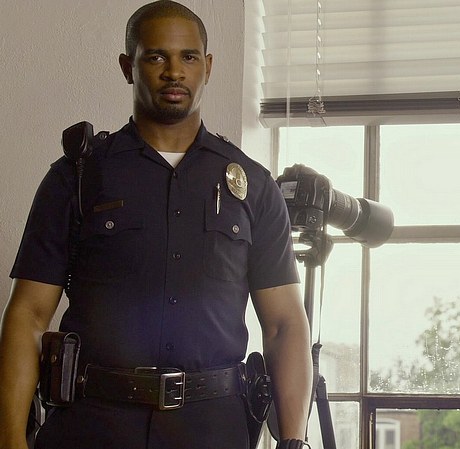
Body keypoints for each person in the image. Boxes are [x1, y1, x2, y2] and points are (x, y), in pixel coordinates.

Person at [0, 2, 312, 448]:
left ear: (207, 67)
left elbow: (284, 325)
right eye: (156, 56)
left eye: (188, 57)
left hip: (214, 429)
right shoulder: (79, 177)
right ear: (127, 67)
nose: (174, 72)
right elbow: (29, 315)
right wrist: (10, 438)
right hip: (94, 426)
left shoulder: (254, 186)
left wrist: (293, 441)